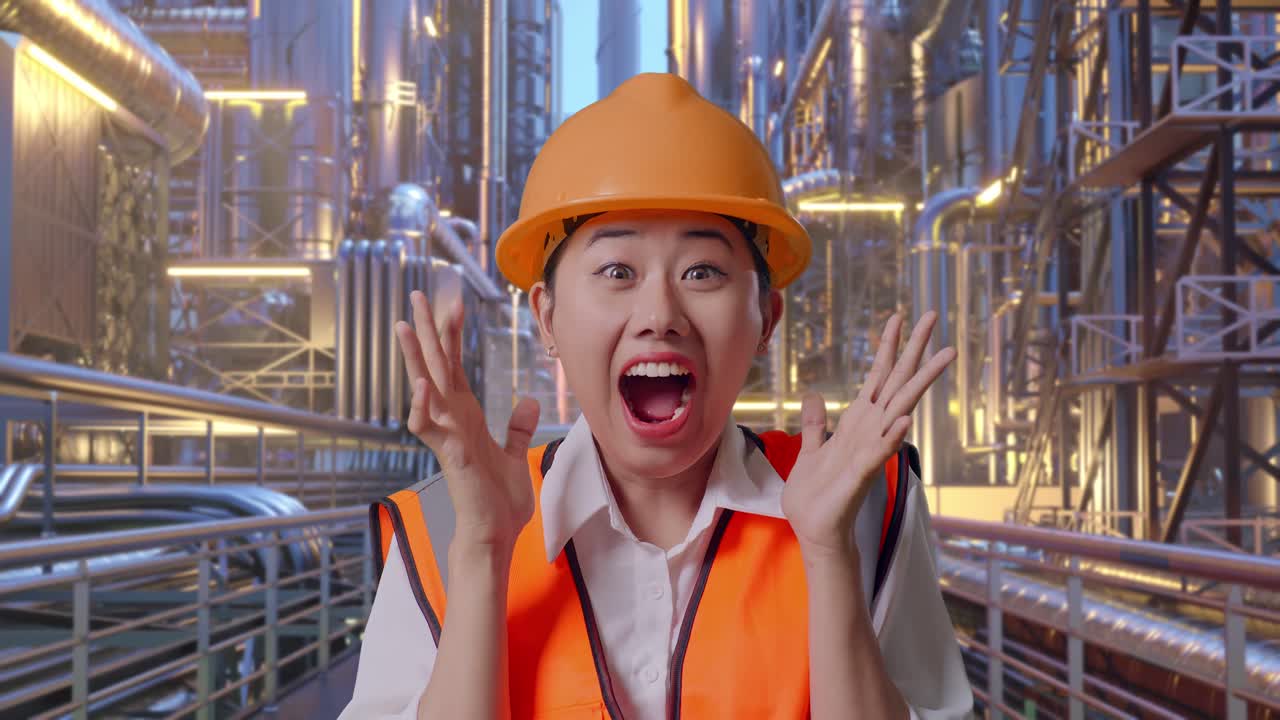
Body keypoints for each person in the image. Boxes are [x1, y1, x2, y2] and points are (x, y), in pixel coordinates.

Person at [339, 73, 974, 719]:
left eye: (704, 272)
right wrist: (480, 549)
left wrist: (830, 555)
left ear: (767, 320)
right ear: (548, 318)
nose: (659, 313)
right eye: (617, 271)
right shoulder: (448, 522)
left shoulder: (864, 505)